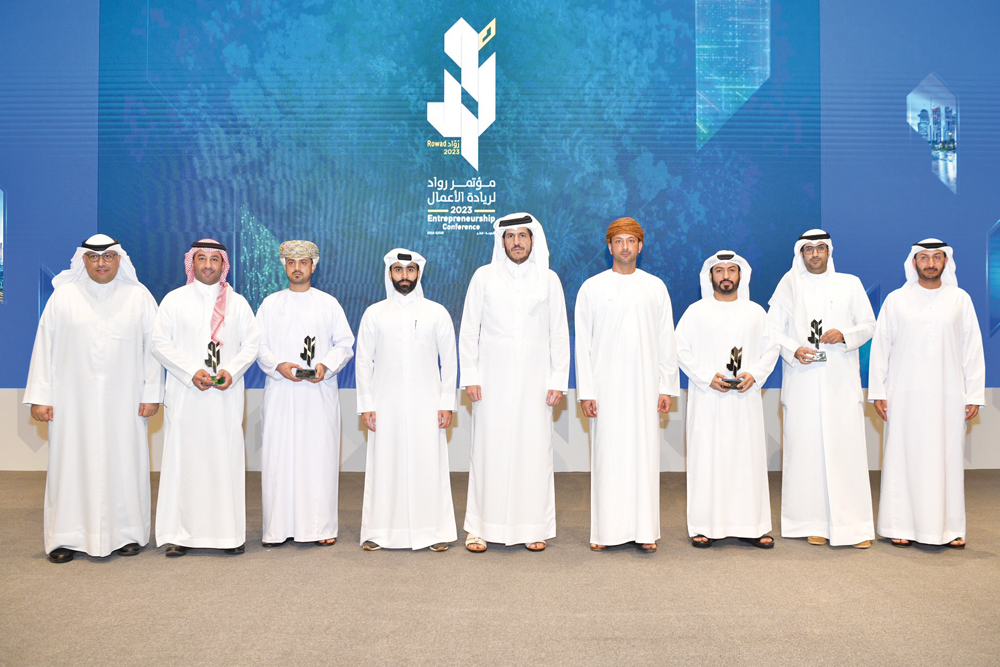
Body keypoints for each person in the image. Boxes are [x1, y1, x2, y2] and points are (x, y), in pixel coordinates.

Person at [25, 234, 163, 564]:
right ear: (83, 260)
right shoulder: (64, 297)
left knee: (125, 463)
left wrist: (152, 393)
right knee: (69, 466)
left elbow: (154, 351)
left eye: (108, 258)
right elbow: (44, 348)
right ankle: (64, 537)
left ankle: (127, 534)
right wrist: (41, 397)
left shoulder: (139, 296)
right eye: (93, 258)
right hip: (72, 402)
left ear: (119, 259)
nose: (101, 264)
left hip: (126, 400)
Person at [459, 213, 570, 553]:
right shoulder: (483, 277)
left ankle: (533, 527)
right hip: (491, 382)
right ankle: (479, 527)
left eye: (523, 235)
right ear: (501, 241)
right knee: (488, 450)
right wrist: (472, 375)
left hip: (536, 384)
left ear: (533, 240)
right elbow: (469, 330)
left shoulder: (548, 280)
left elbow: (559, 334)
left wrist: (557, 381)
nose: (517, 242)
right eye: (510, 236)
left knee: (533, 452)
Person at [868, 239, 985, 549]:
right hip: (903, 395)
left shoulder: (960, 300)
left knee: (946, 459)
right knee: (902, 458)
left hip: (948, 396)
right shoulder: (896, 300)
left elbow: (972, 349)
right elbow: (880, 349)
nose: (930, 263)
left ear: (946, 262)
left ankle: (948, 528)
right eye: (924, 258)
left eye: (937, 257)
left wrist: (973, 394)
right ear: (914, 262)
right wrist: (879, 390)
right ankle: (899, 524)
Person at [574, 218, 679, 552]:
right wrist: (586, 390)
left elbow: (666, 341)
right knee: (608, 457)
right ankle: (605, 532)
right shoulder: (592, 288)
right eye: (618, 241)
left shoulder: (655, 287)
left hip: (646, 389)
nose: (624, 247)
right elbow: (583, 345)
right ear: (609, 247)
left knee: (644, 456)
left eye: (630, 241)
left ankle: (645, 531)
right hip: (605, 390)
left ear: (640, 246)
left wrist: (666, 387)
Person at [151, 239, 260, 557]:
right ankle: (180, 534)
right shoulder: (174, 300)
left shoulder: (237, 303)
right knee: (184, 462)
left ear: (223, 264)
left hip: (223, 398)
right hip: (186, 396)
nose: (208, 265)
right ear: (192, 263)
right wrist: (189, 371)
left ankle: (228, 535)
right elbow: (159, 343)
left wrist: (231, 371)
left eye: (215, 259)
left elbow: (251, 343)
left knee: (223, 459)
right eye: (202, 258)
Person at [768, 230, 876, 549]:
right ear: (801, 254)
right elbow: (771, 329)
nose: (814, 254)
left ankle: (853, 527)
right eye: (808, 249)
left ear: (829, 251)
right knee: (807, 452)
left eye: (820, 248)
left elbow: (869, 325)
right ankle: (813, 523)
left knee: (847, 452)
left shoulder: (850, 284)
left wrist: (844, 334)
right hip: (802, 382)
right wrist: (793, 349)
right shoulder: (788, 286)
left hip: (840, 382)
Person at [355, 248, 458, 551]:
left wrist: (446, 403)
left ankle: (434, 532)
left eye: (410, 270)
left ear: (418, 273)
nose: (404, 276)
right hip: (385, 405)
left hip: (428, 405)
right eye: (398, 271)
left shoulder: (436, 312)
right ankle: (380, 533)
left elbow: (449, 362)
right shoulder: (374, 313)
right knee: (385, 466)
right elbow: (363, 362)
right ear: (389, 274)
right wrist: (366, 404)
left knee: (429, 464)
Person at [676, 251, 780, 549]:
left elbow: (771, 349)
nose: (725, 276)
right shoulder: (696, 312)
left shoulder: (756, 313)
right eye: (719, 270)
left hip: (744, 400)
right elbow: (680, 349)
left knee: (747, 460)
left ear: (740, 276)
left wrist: (755, 374)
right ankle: (704, 526)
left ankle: (753, 526)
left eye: (731, 270)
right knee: (707, 459)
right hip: (708, 399)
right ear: (710, 276)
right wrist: (707, 375)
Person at [255, 240, 355, 548]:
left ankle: (320, 526)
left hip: (318, 394)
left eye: (303, 262)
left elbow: (345, 344)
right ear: (284, 265)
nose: (297, 267)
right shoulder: (270, 304)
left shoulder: (328, 303)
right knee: (278, 458)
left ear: (314, 265)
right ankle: (277, 528)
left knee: (319, 457)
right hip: (282, 392)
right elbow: (256, 345)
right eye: (291, 262)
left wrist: (325, 365)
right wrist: (277, 365)